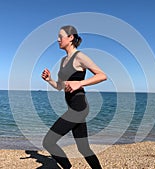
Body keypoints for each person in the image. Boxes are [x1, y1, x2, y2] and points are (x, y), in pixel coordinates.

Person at [41, 25, 106, 169]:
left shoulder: (80, 57)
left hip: (78, 108)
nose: (58, 40)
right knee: (83, 148)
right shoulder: (63, 61)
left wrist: (80, 83)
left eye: (60, 37)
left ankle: (67, 168)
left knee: (48, 142)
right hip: (74, 107)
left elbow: (102, 75)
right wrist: (49, 80)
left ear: (70, 38)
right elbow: (60, 87)